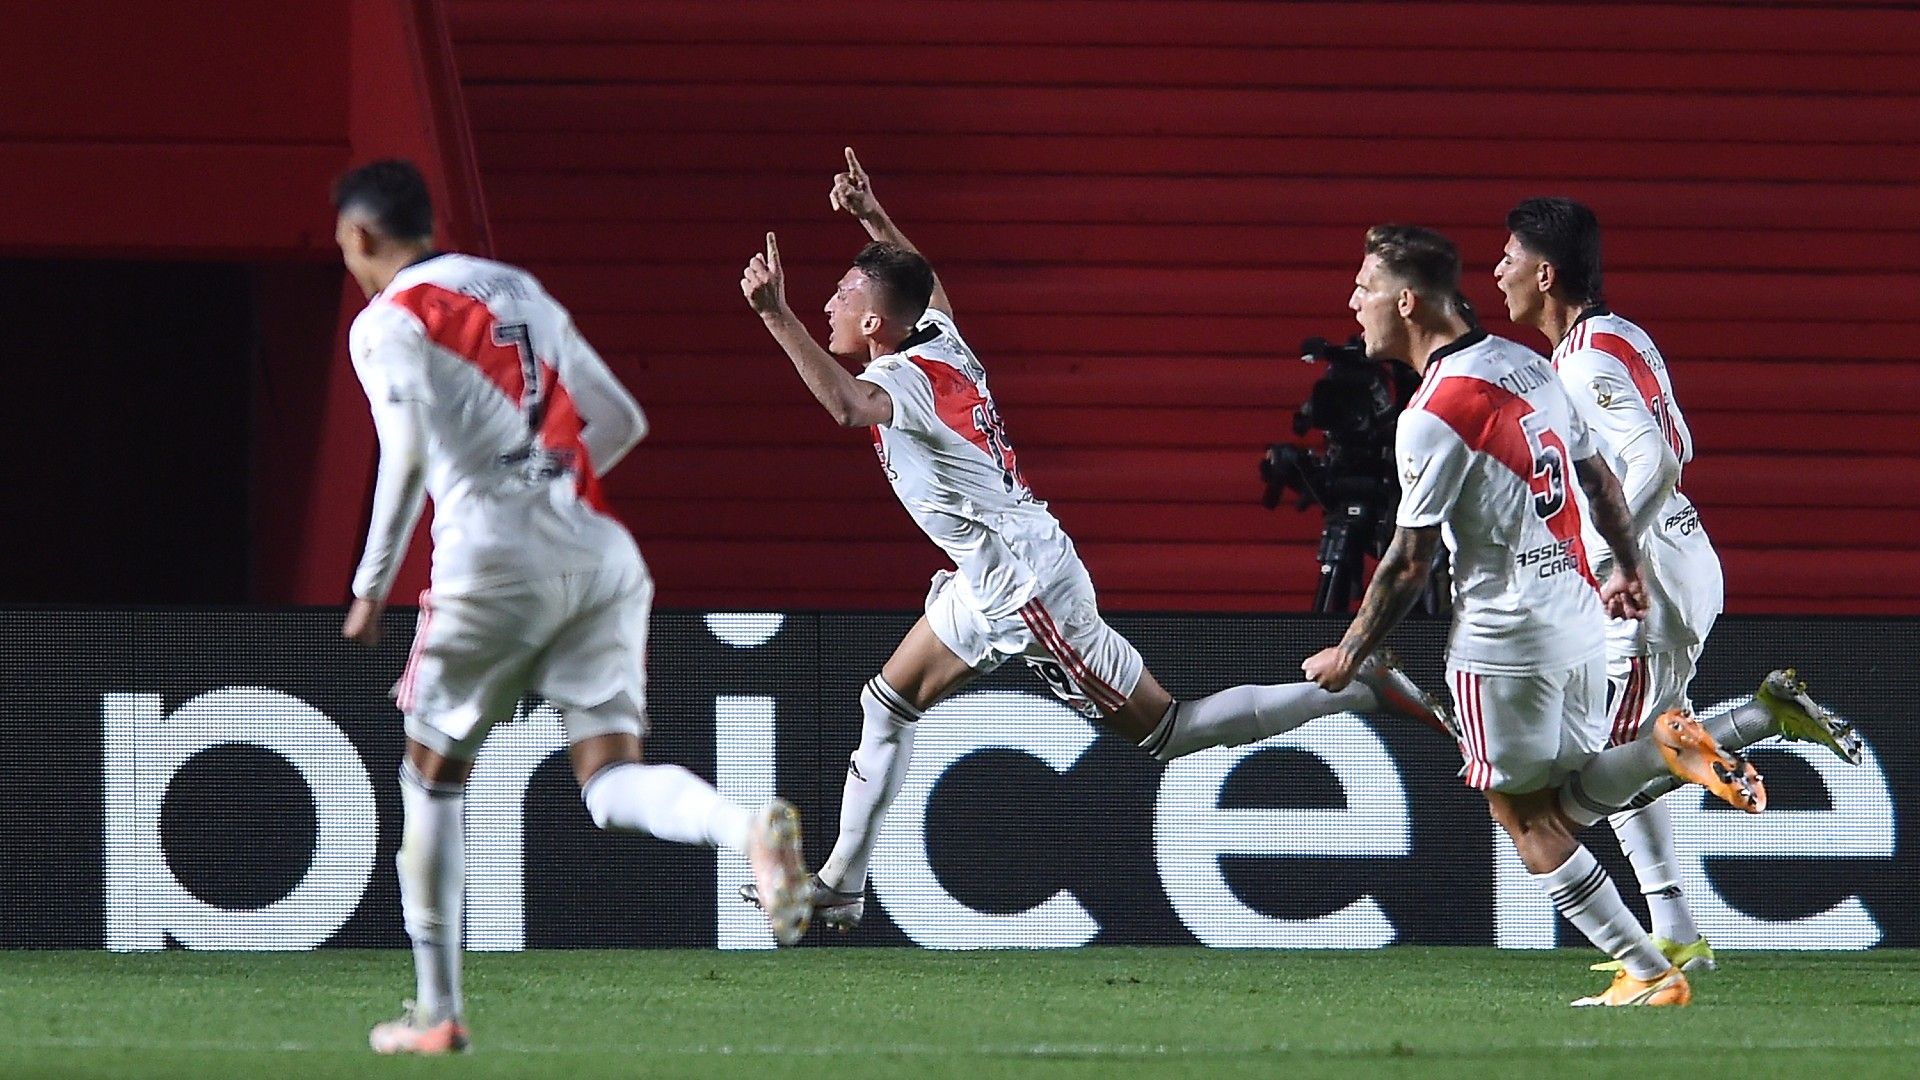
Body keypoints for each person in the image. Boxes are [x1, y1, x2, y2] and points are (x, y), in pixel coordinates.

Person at [736, 149, 1449, 933]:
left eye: (839, 295)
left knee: (1166, 732)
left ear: (874, 324)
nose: (827, 302)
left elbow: (844, 406)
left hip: (1026, 589)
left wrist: (775, 313)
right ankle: (842, 881)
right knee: (887, 704)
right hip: (989, 570)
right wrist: (873, 217)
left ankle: (1352, 690)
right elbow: (928, 288)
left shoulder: (904, 378)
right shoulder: (938, 340)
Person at [331, 160, 809, 1055]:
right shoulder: (521, 290)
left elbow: (402, 455)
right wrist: (544, 496)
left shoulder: (387, 320)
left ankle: (436, 1013)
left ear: (359, 239)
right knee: (606, 781)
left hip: (487, 562)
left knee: (430, 778)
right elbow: (619, 421)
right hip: (597, 550)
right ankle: (746, 829)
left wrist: (369, 589)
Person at [1302, 224, 1765, 1007]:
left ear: (1407, 301)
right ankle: (1667, 766)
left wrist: (1349, 651)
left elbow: (1410, 563)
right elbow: (1600, 480)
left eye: (1365, 287)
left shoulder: (1433, 412)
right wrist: (1623, 567)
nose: (1354, 303)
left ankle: (1652, 972)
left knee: (1526, 820)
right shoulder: (1527, 364)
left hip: (1505, 637)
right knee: (1581, 786)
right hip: (1583, 623)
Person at [1494, 197, 1862, 974]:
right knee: (1633, 749)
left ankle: (1759, 720)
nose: (1498, 271)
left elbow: (1661, 460)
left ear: (1546, 272)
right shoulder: (1617, 337)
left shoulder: (1585, 361)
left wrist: (1616, 555)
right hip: (1681, 566)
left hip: (1647, 585)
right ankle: (1676, 930)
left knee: (1592, 778)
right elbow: (1679, 438)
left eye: (1510, 257)